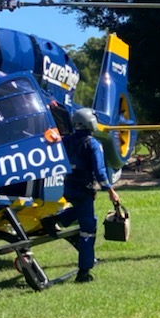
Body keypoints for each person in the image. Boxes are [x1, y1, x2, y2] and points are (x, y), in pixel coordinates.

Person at [56, 107, 122, 283]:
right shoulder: (92, 144)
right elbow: (100, 171)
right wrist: (110, 190)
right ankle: (84, 272)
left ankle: (55, 220)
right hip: (83, 190)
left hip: (69, 187)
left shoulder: (66, 140)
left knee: (80, 211)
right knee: (88, 229)